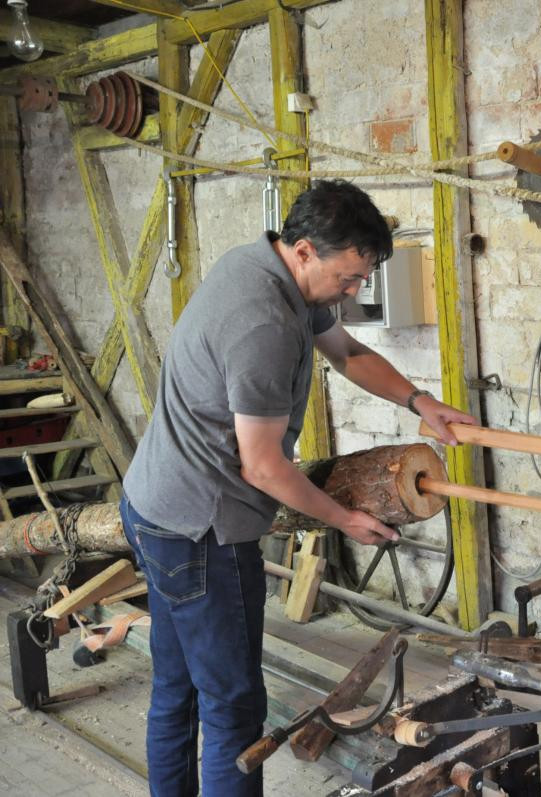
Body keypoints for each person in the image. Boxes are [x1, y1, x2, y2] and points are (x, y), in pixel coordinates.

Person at [119, 179, 476, 796]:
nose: (355, 291)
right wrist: (342, 518)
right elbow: (261, 466)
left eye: (364, 278)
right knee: (232, 709)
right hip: (202, 531)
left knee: (176, 689)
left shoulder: (266, 265)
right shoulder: (262, 323)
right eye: (349, 277)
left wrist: (420, 401)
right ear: (307, 249)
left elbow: (346, 351)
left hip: (151, 503)